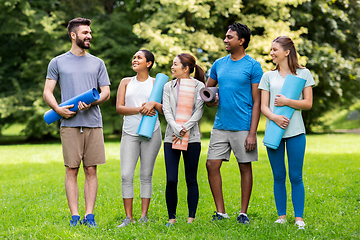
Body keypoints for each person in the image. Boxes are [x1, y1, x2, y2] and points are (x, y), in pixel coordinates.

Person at [43, 17, 111, 227]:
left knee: (91, 169)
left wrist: (94, 102)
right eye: (85, 33)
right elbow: (48, 92)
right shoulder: (57, 62)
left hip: (93, 122)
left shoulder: (98, 63)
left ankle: (89, 216)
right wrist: (58, 109)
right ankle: (75, 216)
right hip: (69, 124)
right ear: (73, 35)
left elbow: (106, 92)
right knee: (71, 169)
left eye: (90, 33)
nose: (89, 36)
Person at [205, 22, 262, 224]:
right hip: (220, 125)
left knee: (244, 167)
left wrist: (252, 133)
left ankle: (243, 213)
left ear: (241, 40)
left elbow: (257, 102)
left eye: (230, 37)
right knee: (211, 165)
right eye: (226, 36)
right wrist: (212, 100)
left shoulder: (253, 66)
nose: (225, 40)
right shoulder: (219, 64)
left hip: (243, 126)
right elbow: (207, 92)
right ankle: (221, 212)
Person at [258, 36, 315, 229]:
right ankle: (281, 216)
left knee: (296, 176)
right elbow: (263, 107)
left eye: (275, 49)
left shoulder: (303, 73)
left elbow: (308, 103)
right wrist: (274, 117)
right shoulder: (268, 76)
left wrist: (287, 102)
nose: (272, 53)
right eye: (271, 49)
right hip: (274, 131)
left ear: (287, 52)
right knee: (278, 176)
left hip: (296, 132)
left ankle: (299, 218)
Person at [115, 50, 162, 227]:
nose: (134, 60)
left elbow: (164, 108)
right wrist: (140, 109)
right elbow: (119, 108)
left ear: (148, 63)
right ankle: (129, 217)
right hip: (129, 133)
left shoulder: (157, 83)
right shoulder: (125, 82)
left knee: (145, 175)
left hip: (152, 132)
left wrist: (154, 106)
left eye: (139, 58)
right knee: (126, 175)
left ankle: (143, 216)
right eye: (134, 57)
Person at [162, 53, 205, 226]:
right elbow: (166, 110)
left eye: (175, 64)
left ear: (186, 68)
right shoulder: (168, 87)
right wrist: (175, 127)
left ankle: (191, 218)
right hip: (171, 136)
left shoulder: (199, 86)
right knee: (171, 179)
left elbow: (199, 110)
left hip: (192, 137)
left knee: (191, 179)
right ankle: (171, 218)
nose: (172, 67)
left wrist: (186, 126)